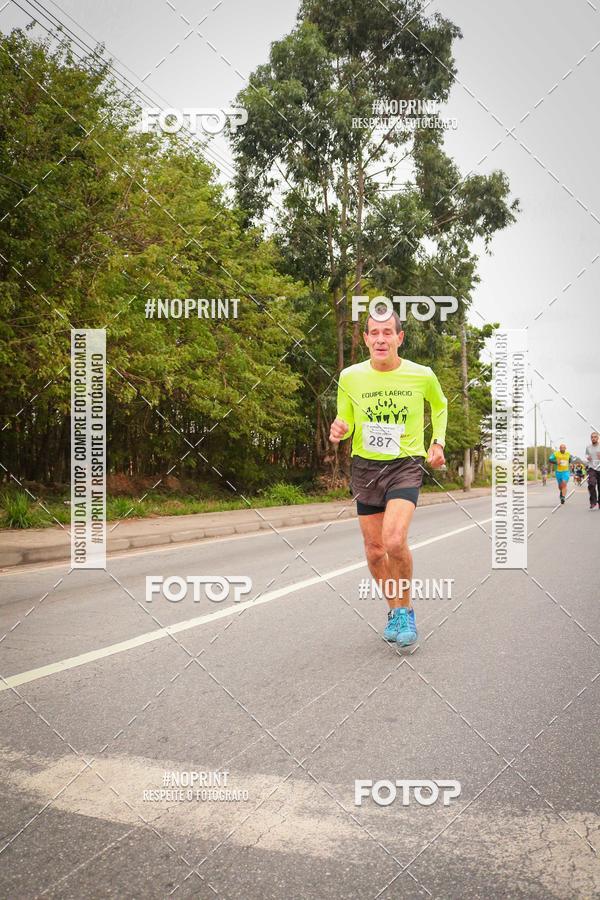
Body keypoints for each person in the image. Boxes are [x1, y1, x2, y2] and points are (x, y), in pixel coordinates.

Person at [329, 308, 447, 646]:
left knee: (394, 541)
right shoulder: (350, 377)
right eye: (374, 333)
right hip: (365, 467)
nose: (381, 339)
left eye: (387, 332)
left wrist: (437, 441)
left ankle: (406, 610)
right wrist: (340, 428)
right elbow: (347, 419)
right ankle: (394, 610)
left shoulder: (421, 374)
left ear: (399, 337)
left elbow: (440, 405)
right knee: (374, 550)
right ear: (366, 339)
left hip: (405, 465)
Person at [585, 431, 600, 509]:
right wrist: (587, 457)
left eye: (595, 437)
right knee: (591, 484)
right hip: (592, 468)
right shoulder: (588, 447)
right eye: (592, 437)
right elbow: (586, 454)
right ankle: (593, 502)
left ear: (598, 438)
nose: (593, 438)